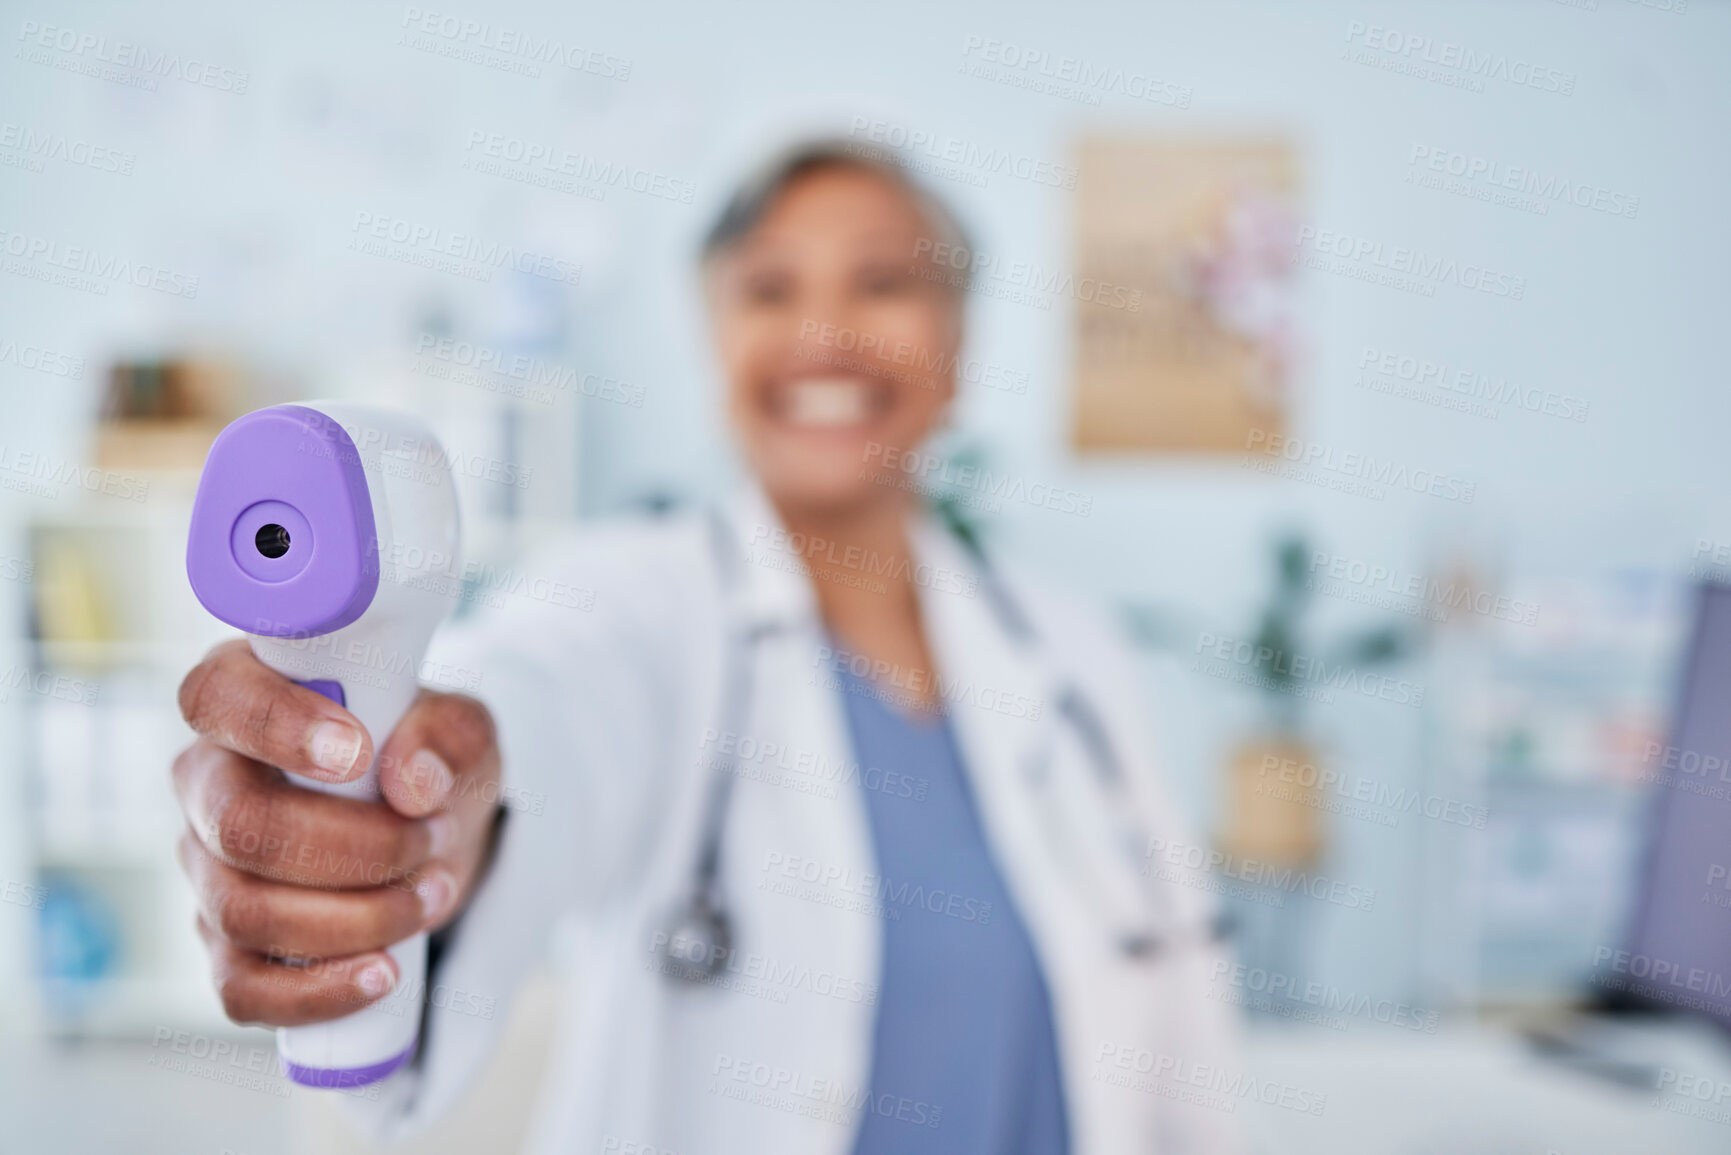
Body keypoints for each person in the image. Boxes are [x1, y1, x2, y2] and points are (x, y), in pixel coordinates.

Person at [171, 140, 1245, 1153]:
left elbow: (1179, 1038)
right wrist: (443, 796)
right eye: (771, 290)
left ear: (958, 348)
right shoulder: (638, 600)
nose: (825, 332)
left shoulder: (1071, 653)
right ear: (716, 341)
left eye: (882, 282)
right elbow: (548, 700)